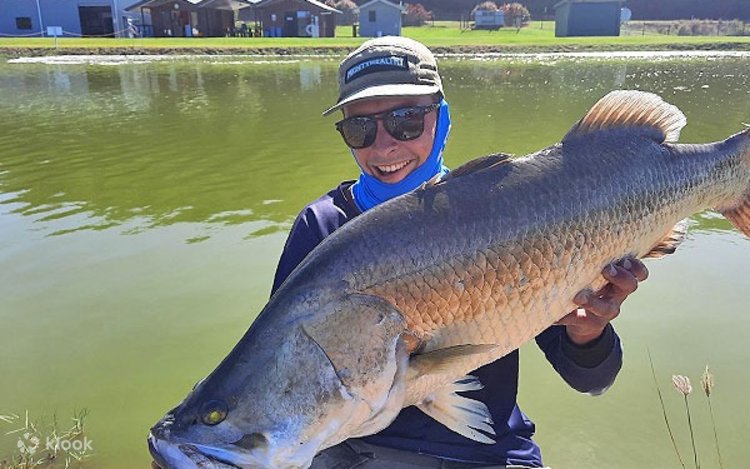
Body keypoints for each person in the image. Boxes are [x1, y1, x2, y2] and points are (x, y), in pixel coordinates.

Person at [271, 36, 648, 469]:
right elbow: (287, 371)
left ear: (443, 118)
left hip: (490, 453)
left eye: (406, 121)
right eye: (360, 128)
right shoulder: (321, 227)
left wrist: (588, 333)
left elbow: (591, 380)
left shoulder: (506, 209)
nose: (383, 146)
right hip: (358, 451)